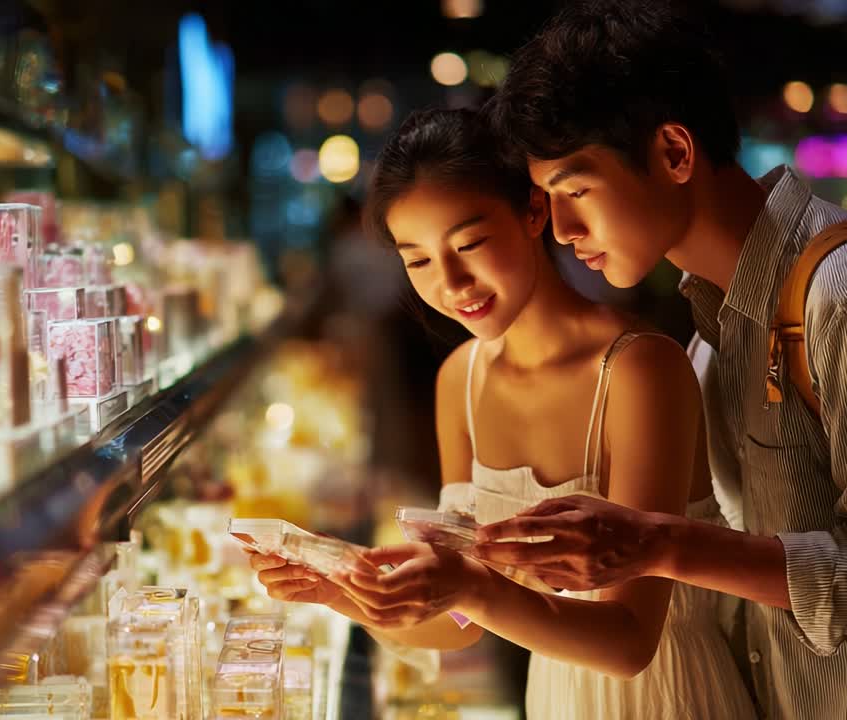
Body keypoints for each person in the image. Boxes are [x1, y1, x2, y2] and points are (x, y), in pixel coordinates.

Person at [475, 2, 847, 718]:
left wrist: (658, 544)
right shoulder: (718, 333)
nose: (568, 230)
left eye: (577, 191)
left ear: (674, 153)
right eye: (551, 199)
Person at [250, 108, 756, 719]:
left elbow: (628, 641)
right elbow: (463, 623)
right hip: (551, 700)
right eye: (419, 261)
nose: (452, 282)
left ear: (534, 211)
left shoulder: (639, 368)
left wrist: (467, 585)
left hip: (670, 697)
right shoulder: (460, 380)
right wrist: (345, 592)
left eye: (469, 244)